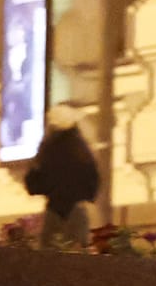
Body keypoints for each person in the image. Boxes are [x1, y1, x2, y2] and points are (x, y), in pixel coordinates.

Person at [24, 105, 101, 249]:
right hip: (77, 211)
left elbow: (33, 184)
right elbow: (93, 184)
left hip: (53, 210)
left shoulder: (47, 151)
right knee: (77, 258)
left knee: (48, 258)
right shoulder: (82, 152)